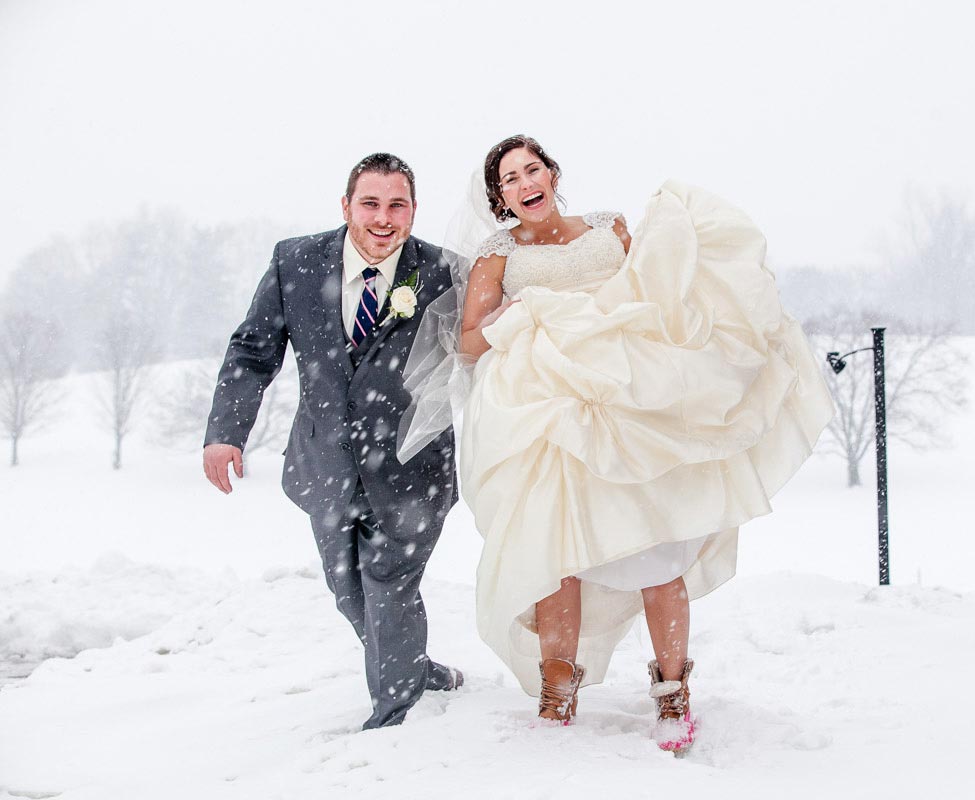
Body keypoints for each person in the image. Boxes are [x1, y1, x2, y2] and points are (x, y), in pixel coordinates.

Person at [458, 135, 834, 752]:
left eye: (533, 169)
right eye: (510, 178)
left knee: (659, 548)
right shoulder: (497, 255)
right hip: (553, 406)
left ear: (552, 173)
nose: (525, 183)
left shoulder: (610, 226)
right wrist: (524, 316)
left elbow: (656, 293)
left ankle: (673, 689)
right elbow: (471, 341)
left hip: (630, 400)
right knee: (557, 551)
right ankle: (559, 688)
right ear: (501, 198)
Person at [202, 153, 463, 731]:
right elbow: (252, 351)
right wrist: (225, 433)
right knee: (349, 591)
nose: (383, 218)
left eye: (398, 205)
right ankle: (415, 667)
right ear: (346, 206)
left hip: (413, 468)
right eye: (370, 203)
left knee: (389, 585)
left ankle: (393, 715)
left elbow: (487, 354)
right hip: (325, 463)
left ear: (414, 210)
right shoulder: (295, 261)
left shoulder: (447, 272)